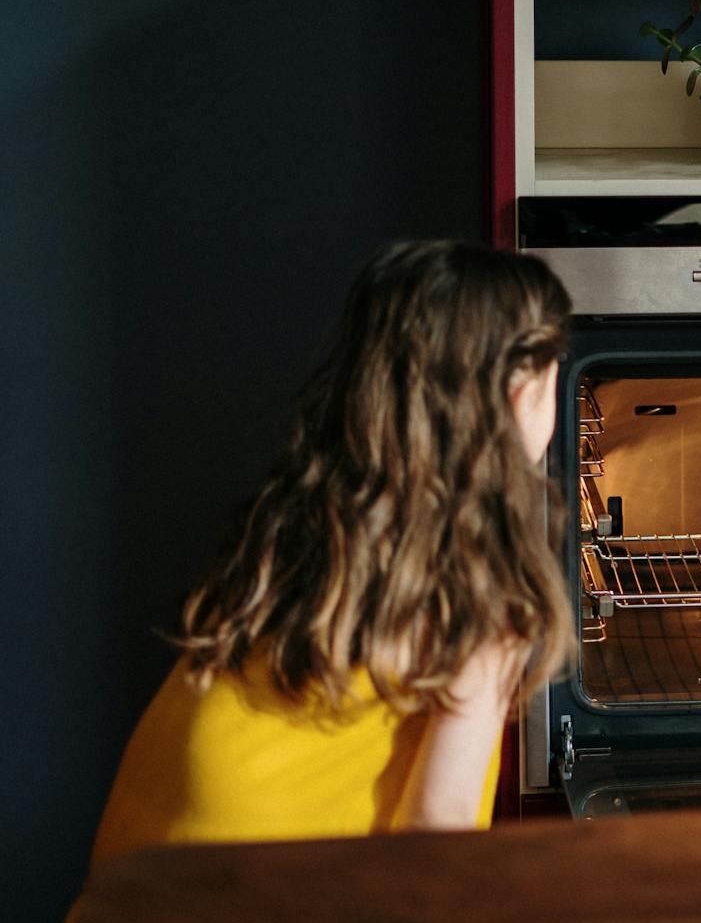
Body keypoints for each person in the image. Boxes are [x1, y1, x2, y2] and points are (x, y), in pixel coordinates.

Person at [87, 239, 575, 866]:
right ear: (519, 394)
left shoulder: (303, 510)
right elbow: (437, 825)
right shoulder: (482, 585)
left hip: (140, 891)